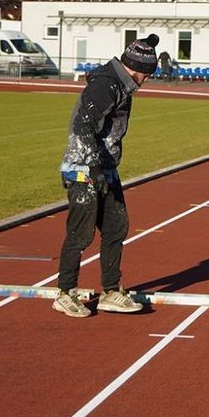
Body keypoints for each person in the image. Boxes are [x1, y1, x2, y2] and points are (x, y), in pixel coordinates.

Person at [52, 34, 161, 318]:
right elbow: (82, 125)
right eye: (148, 74)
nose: (148, 79)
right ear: (137, 68)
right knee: (81, 233)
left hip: (106, 167)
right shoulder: (105, 85)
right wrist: (94, 168)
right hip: (83, 169)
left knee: (116, 227)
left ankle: (111, 291)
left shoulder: (122, 85)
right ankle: (65, 292)